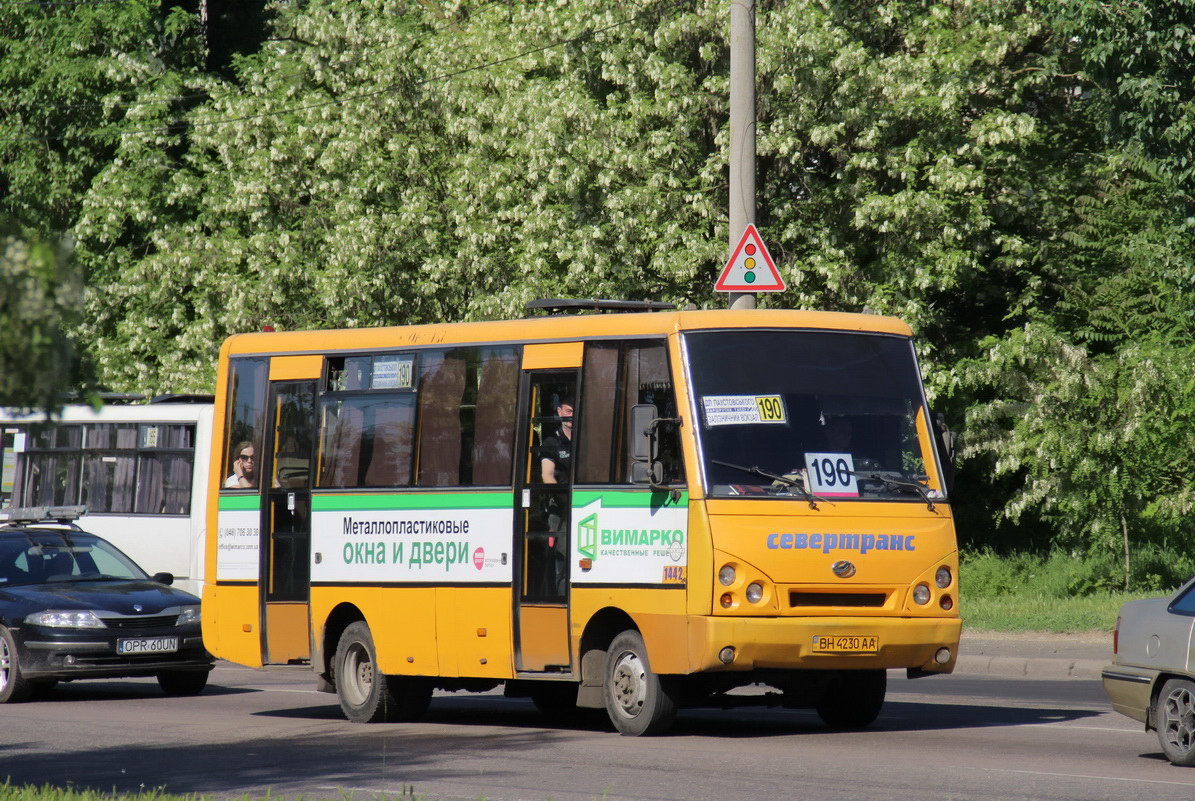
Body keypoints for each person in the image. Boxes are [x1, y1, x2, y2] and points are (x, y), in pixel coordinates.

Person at [539, 399, 573, 485]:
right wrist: (563, 496)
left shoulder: (588, 440)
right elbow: (547, 475)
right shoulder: (551, 441)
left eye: (575, 412)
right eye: (569, 411)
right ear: (559, 411)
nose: (572, 415)